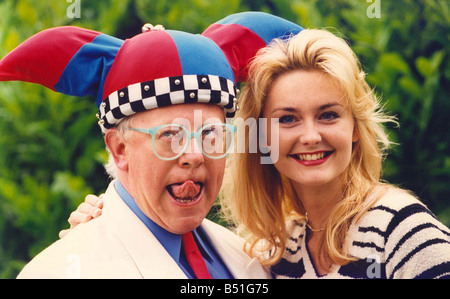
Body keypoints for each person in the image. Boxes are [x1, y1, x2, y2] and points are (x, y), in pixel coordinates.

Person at [65, 27, 450, 279]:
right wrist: (109, 223)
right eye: (287, 119)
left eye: (329, 115)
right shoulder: (273, 253)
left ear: (355, 130)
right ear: (262, 138)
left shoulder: (402, 233)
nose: (310, 136)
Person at [0, 12, 302, 278]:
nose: (195, 156)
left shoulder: (252, 260)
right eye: (170, 135)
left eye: (211, 133)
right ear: (120, 149)